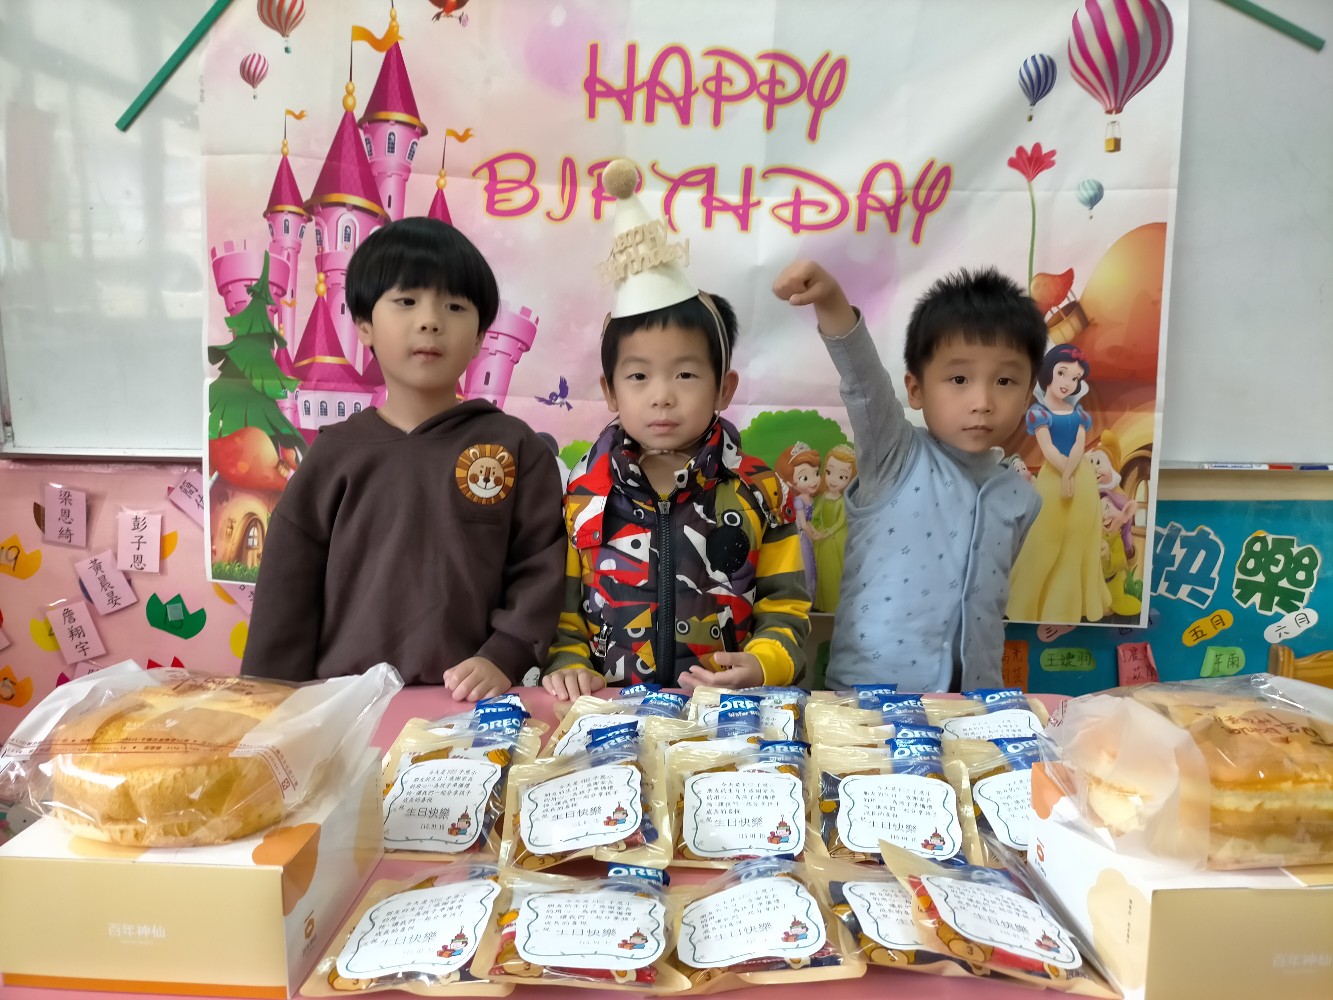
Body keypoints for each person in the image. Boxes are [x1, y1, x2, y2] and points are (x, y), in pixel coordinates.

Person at [241, 217, 566, 699]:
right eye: (406, 301)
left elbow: (540, 567)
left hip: (474, 705)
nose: (430, 320)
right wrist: (267, 699)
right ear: (364, 325)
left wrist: (504, 654)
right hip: (343, 703)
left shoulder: (516, 449)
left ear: (480, 336)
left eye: (455, 306)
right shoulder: (333, 455)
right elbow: (286, 593)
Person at [544, 159, 811, 699]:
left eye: (685, 374)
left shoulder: (761, 491)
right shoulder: (583, 494)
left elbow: (786, 607)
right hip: (610, 718)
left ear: (723, 389)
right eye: (639, 376)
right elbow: (564, 614)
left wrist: (763, 665)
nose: (662, 395)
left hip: (723, 716)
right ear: (610, 391)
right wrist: (569, 662)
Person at [772, 259, 1044, 691]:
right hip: (869, 699)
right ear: (916, 390)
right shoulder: (894, 454)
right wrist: (831, 300)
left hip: (973, 701)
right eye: (959, 378)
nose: (982, 401)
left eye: (1006, 381)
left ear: (1028, 397)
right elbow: (863, 381)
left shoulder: (1022, 497)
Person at [1006, 343, 1110, 623]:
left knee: (1078, 540)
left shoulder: (1080, 413)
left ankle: (1070, 604)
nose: (1067, 383)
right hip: (1053, 481)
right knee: (1044, 539)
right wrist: (1064, 473)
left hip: (1081, 479)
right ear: (1048, 372)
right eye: (1062, 373)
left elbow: (1079, 444)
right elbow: (1048, 448)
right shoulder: (1038, 413)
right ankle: (1031, 602)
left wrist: (1069, 474)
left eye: (1075, 378)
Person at [810, 444, 856, 612]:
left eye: (842, 476)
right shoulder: (823, 497)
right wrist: (812, 525)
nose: (834, 480)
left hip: (835, 538)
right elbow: (816, 512)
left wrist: (830, 531)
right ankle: (820, 604)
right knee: (821, 573)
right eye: (829, 472)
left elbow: (840, 521)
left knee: (833, 572)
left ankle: (833, 605)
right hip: (821, 538)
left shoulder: (842, 501)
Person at [774, 442, 822, 596]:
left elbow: (808, 522)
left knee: (811, 567)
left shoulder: (808, 499)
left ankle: (810, 597)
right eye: (804, 477)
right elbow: (803, 524)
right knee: (805, 567)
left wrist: (815, 532)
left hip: (805, 538)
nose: (814, 481)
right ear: (789, 482)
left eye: (816, 473)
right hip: (799, 539)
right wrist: (815, 535)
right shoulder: (797, 502)